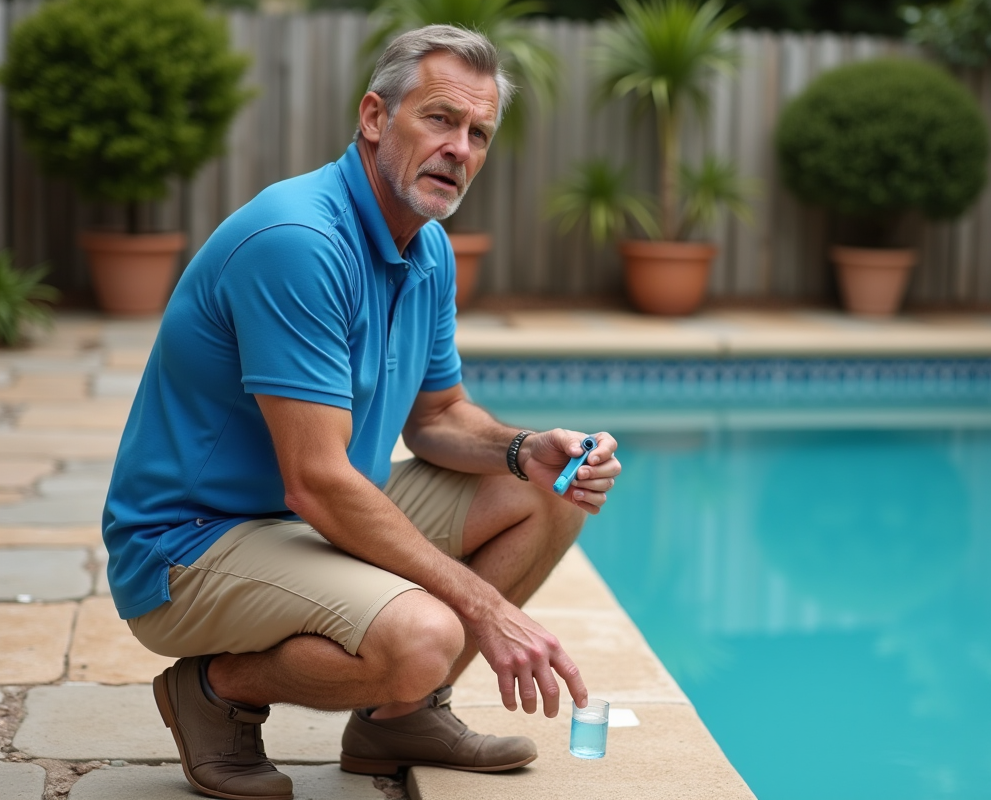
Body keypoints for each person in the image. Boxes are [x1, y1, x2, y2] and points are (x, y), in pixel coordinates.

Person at [101, 25, 621, 800]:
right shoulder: (300, 241)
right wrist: (484, 611)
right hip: (190, 547)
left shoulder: (428, 245)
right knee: (427, 634)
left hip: (307, 517)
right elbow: (316, 482)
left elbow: (439, 416)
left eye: (478, 133)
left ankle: (396, 719)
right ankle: (213, 693)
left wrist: (524, 449)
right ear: (375, 117)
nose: (460, 148)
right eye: (440, 118)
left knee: (550, 493)